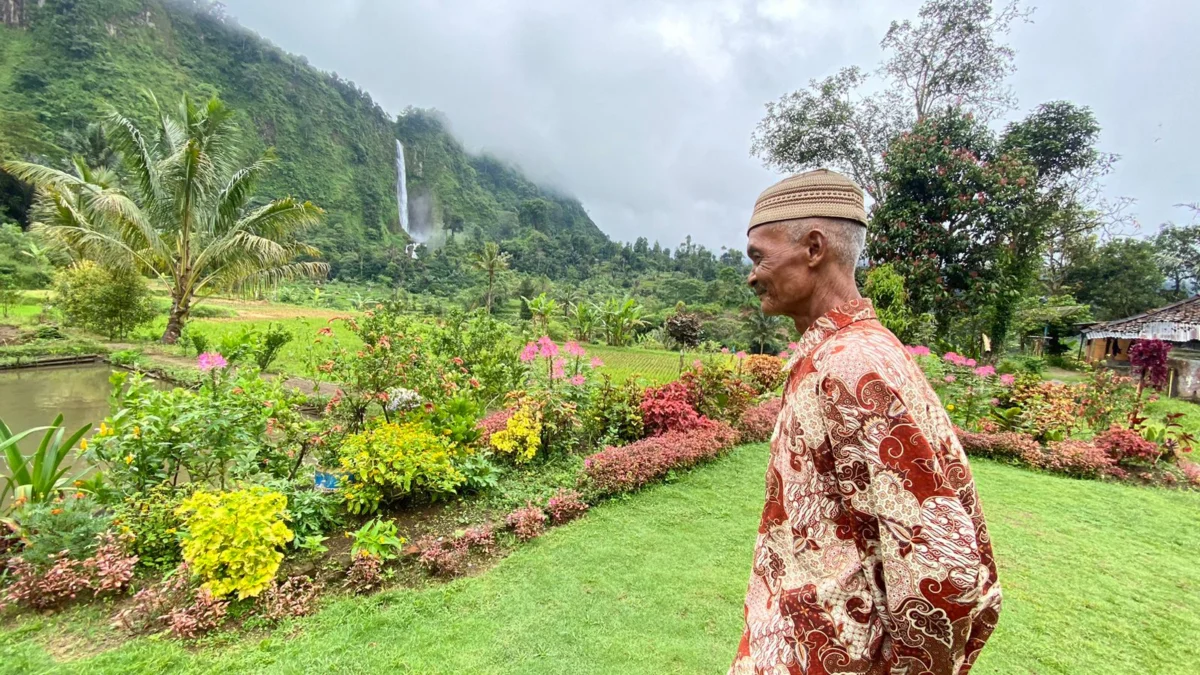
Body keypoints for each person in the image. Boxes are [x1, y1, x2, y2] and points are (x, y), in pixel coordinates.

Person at [730, 169, 1002, 675]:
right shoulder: (836, 354)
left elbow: (943, 571)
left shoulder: (854, 366)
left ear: (814, 248)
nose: (751, 276)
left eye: (758, 257)